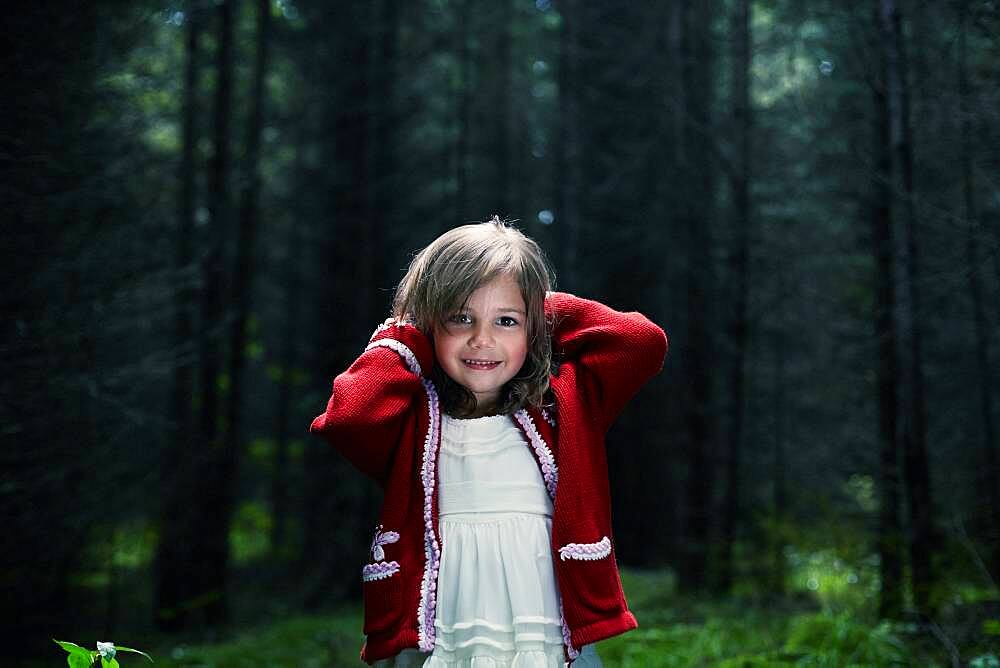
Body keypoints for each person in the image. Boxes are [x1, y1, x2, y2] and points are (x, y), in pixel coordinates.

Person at [309, 218, 668, 666]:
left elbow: (642, 341)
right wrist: (403, 335)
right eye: (460, 317)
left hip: (544, 623)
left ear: (533, 326)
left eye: (506, 320)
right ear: (429, 325)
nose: (483, 339)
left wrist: (529, 295)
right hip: (444, 625)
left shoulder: (565, 402)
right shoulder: (413, 418)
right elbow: (349, 419)